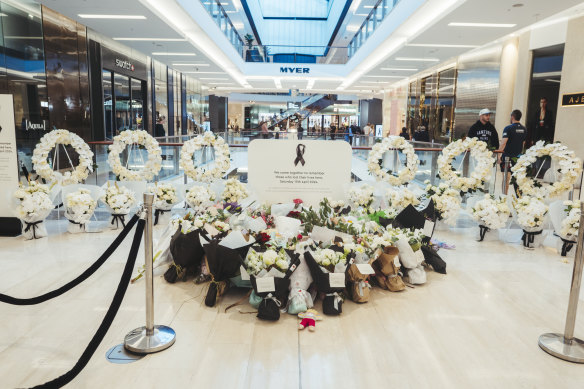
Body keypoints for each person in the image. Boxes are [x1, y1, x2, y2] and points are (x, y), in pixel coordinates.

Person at [498, 109, 527, 192]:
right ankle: (519, 199)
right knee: (517, 180)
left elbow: (503, 143)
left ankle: (503, 197)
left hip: (507, 157)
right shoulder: (524, 129)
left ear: (512, 117)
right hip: (517, 158)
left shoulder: (508, 128)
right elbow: (523, 143)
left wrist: (499, 156)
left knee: (506, 179)